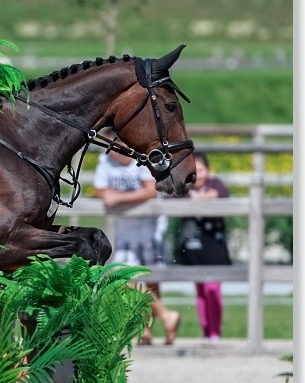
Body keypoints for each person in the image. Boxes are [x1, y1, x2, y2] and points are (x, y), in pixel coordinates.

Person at [93, 148, 181, 345]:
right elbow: (99, 190)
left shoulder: (142, 159)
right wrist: (116, 196)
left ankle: (147, 330)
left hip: (150, 229)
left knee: (152, 281)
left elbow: (150, 190)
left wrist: (118, 198)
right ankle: (166, 316)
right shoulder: (105, 161)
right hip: (125, 229)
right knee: (124, 277)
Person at [176, 152, 231, 341]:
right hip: (193, 246)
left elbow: (221, 194)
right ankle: (206, 331)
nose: (198, 175)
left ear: (208, 170)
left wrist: (197, 199)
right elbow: (172, 201)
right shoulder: (183, 189)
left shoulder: (216, 184)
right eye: (194, 171)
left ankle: (215, 331)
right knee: (200, 289)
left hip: (215, 245)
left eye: (201, 169)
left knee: (212, 288)